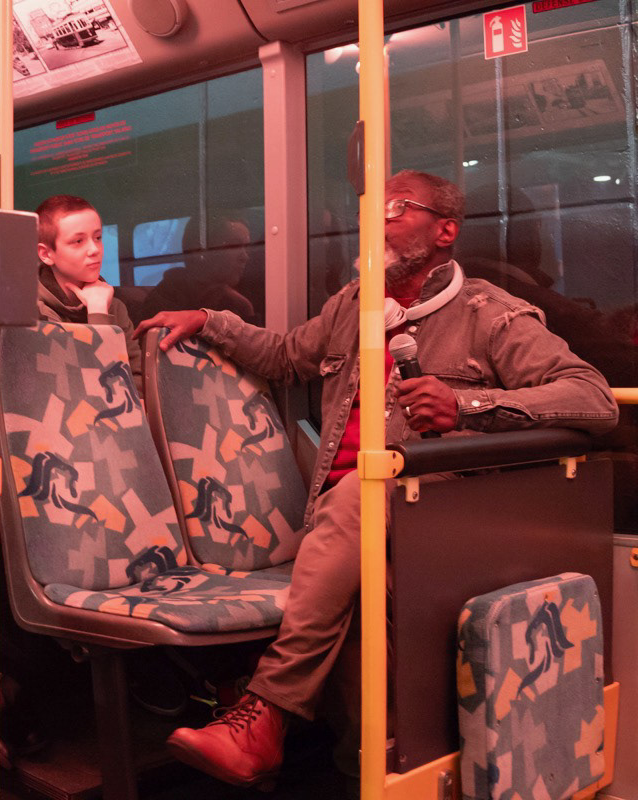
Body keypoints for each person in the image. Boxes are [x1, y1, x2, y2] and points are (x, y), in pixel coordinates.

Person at [135, 170, 619, 786]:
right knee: (364, 606)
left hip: (438, 511)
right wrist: (209, 319)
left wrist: (468, 405)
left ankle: (266, 711)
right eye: (370, 209)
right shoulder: (354, 306)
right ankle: (366, 772)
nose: (375, 220)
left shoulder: (490, 315)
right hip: (350, 527)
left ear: (444, 231)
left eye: (396, 208)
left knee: (358, 496)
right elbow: (285, 356)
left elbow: (592, 398)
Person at [35, 195, 142, 391]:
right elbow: (92, 392)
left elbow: (137, 382)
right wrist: (98, 314)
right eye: (78, 241)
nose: (94, 249)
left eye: (98, 238)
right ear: (46, 254)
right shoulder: (32, 313)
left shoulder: (114, 306)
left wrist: (100, 307)